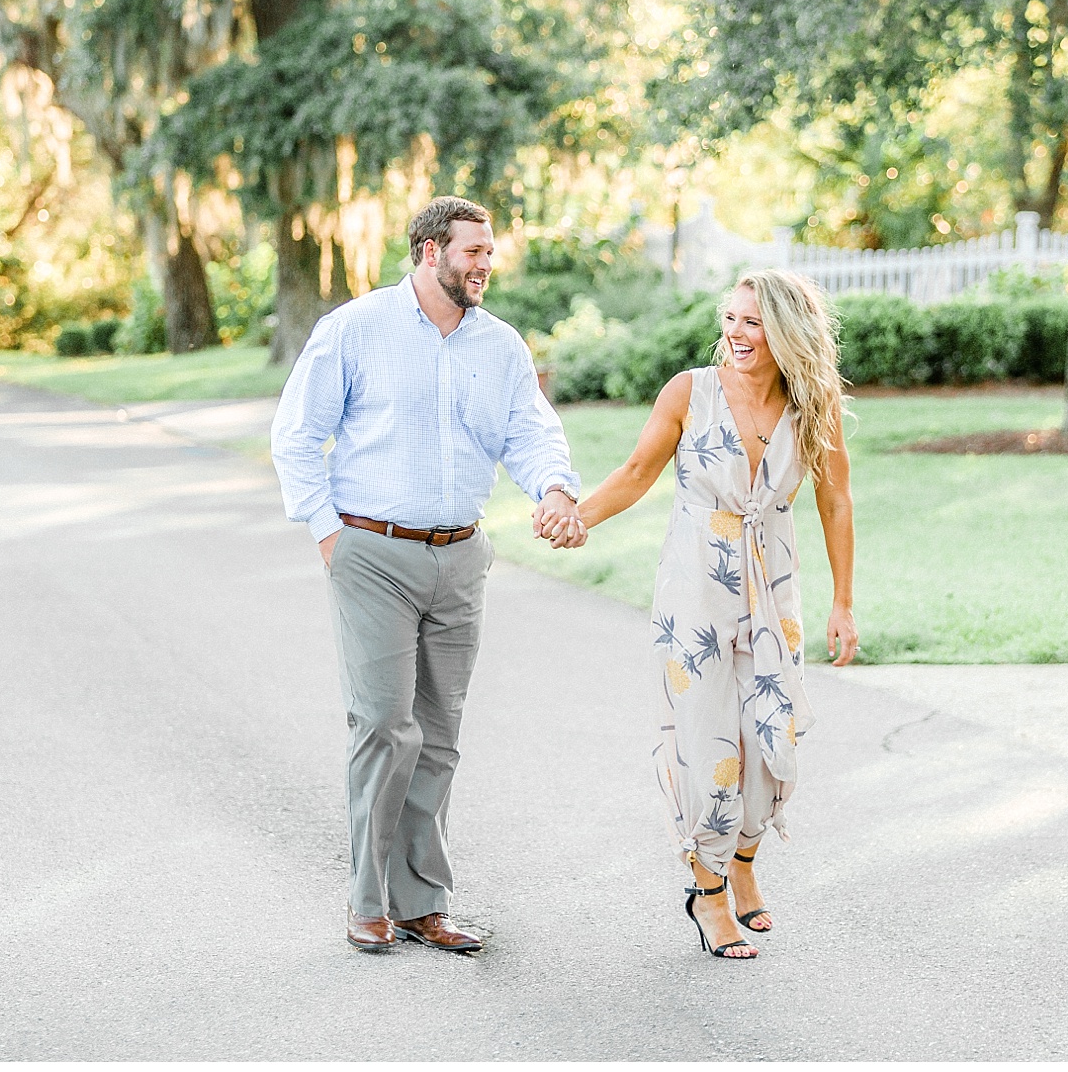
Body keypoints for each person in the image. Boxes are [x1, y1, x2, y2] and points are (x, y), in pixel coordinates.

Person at [271, 195, 586, 955]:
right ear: (427, 250)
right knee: (384, 725)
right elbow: (296, 435)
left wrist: (554, 487)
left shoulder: (500, 344)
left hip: (462, 555)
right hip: (372, 552)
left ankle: (424, 902)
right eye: (472, 251)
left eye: (488, 252)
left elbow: (529, 431)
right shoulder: (355, 329)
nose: (484, 264)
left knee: (439, 736)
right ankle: (368, 900)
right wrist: (328, 536)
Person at [567, 268, 858, 959]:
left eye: (752, 321)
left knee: (770, 740)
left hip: (772, 589)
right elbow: (637, 472)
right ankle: (709, 893)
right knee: (709, 746)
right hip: (695, 589)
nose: (735, 332)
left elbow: (836, 500)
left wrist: (843, 600)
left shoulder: (812, 403)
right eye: (730, 318)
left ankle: (746, 862)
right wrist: (576, 518)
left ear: (786, 331)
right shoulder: (689, 392)